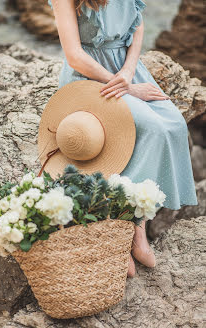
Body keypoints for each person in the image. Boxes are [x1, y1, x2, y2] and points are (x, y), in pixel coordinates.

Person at [47, 0, 198, 277]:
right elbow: (74, 56)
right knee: (153, 128)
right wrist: (125, 88)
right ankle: (130, 226)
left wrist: (128, 74)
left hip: (126, 70)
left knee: (174, 125)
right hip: (90, 77)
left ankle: (133, 221)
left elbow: (137, 27)